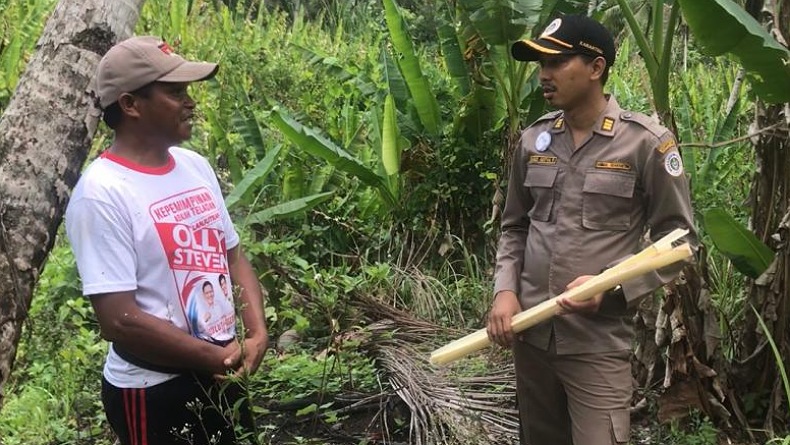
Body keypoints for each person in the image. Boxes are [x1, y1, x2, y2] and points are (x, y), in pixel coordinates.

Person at [486, 15, 696, 445]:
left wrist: (612, 287)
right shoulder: (534, 141)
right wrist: (504, 290)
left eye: (557, 62)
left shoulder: (645, 143)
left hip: (597, 344)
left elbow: (680, 240)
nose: (544, 75)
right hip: (530, 338)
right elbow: (514, 227)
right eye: (540, 64)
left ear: (596, 68)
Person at [65, 36, 268, 445]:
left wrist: (257, 333)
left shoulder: (195, 167)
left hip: (222, 370)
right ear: (130, 105)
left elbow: (232, 254)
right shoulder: (102, 193)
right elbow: (118, 319)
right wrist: (221, 358)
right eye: (175, 92)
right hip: (154, 389)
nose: (190, 102)